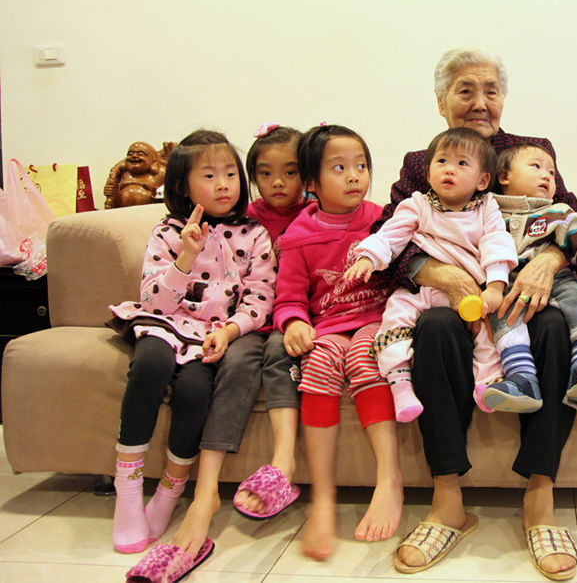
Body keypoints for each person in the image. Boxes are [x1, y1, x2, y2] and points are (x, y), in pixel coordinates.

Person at [384, 48, 577, 581]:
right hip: (454, 298)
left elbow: (574, 219)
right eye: (465, 90)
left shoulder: (531, 152)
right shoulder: (424, 161)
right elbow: (391, 236)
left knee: (554, 325)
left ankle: (540, 500)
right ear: (441, 102)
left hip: (520, 290)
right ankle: (448, 500)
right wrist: (446, 276)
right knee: (435, 327)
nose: (479, 102)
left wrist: (548, 261)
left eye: (490, 90)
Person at [145, 124, 309, 571]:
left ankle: (282, 465)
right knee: (238, 363)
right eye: (265, 173)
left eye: (291, 172)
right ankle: (205, 496)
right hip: (247, 326)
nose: (279, 183)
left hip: (294, 320)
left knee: (279, 353)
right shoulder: (242, 220)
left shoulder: (316, 213)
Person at [107, 130, 275, 559]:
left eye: (230, 174)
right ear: (183, 185)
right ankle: (128, 488)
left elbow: (260, 298)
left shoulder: (254, 234)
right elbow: (154, 301)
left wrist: (231, 330)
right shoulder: (168, 231)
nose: (223, 185)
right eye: (209, 175)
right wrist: (186, 256)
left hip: (212, 334)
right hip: (165, 323)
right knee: (149, 366)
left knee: (195, 390)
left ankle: (169, 490)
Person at [274, 123, 404, 560]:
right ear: (310, 182)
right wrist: (294, 322)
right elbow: (289, 298)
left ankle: (389, 479)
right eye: (339, 168)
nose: (354, 176)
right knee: (317, 364)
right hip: (329, 326)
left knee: (366, 359)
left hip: (379, 318)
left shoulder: (381, 220)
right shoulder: (297, 238)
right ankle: (323, 497)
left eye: (361, 166)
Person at [345, 127, 520, 421]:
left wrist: (495, 286)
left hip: (472, 292)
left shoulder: (487, 207)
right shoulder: (417, 205)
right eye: (441, 162)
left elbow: (496, 243)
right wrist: (368, 258)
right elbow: (390, 235)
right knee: (396, 313)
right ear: (428, 174)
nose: (449, 169)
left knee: (489, 331)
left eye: (461, 163)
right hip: (423, 290)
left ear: (482, 180)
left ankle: (488, 383)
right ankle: (401, 384)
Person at [482, 142, 577, 426]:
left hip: (555, 278)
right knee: (503, 315)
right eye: (536, 167)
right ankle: (521, 379)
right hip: (504, 283)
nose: (547, 175)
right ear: (504, 176)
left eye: (552, 172)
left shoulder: (558, 211)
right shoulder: (486, 211)